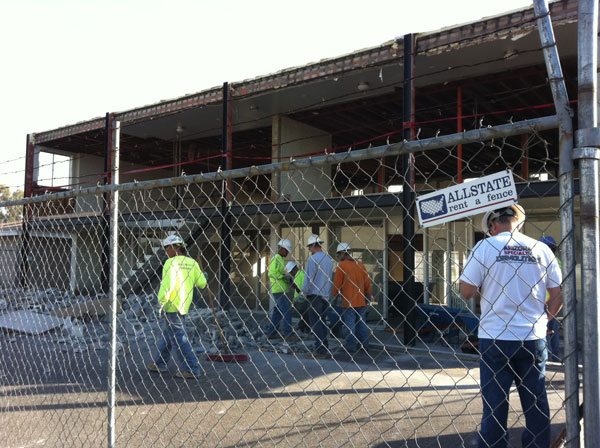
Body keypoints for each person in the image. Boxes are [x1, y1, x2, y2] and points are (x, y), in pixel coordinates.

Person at [460, 204, 562, 448]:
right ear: (518, 222)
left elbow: (466, 290)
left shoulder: (485, 247)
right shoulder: (540, 248)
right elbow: (557, 294)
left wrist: (487, 286)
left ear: (493, 225)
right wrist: (542, 320)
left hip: (495, 337)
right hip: (532, 336)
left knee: (495, 405)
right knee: (536, 402)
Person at [148, 234, 207, 379]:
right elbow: (201, 283)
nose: (166, 252)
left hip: (171, 304)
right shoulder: (192, 263)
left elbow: (167, 284)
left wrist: (161, 301)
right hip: (184, 304)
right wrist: (204, 276)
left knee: (180, 338)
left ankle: (192, 369)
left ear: (174, 247)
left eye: (166, 248)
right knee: (169, 335)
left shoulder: (171, 263)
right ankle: (160, 363)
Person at [332, 243, 373, 354]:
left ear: (342, 253)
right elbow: (367, 283)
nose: (338, 257)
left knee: (349, 325)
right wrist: (368, 294)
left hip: (348, 301)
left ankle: (351, 346)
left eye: (338, 254)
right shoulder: (360, 265)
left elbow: (337, 285)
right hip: (361, 300)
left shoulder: (341, 266)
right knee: (362, 324)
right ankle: (364, 345)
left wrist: (333, 295)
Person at [302, 234, 334, 359]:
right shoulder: (328, 259)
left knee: (315, 323)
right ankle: (324, 346)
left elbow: (308, 278)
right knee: (322, 322)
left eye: (310, 246)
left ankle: (320, 349)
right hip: (325, 296)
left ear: (314, 245)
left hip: (314, 295)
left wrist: (303, 292)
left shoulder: (313, 259)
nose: (309, 249)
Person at [265, 239, 299, 342]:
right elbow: (271, 272)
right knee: (286, 310)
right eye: (287, 250)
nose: (287, 253)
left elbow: (276, 273)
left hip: (280, 289)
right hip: (279, 290)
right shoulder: (277, 258)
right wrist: (283, 276)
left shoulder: (280, 259)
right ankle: (288, 333)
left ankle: (271, 333)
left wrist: (287, 280)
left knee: (278, 312)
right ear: (282, 248)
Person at [540, 235, 562, 362]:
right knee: (552, 327)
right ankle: (555, 354)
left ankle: (547, 354)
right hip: (555, 300)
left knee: (544, 329)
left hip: (543, 300)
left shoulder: (543, 261)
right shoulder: (557, 261)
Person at [285, 261, 310, 333]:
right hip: (301, 297)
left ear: (294, 269)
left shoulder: (300, 275)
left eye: (291, 272)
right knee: (303, 314)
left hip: (302, 298)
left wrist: (293, 284)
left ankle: (304, 328)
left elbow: (299, 289)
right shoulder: (300, 274)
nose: (291, 273)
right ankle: (303, 328)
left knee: (303, 314)